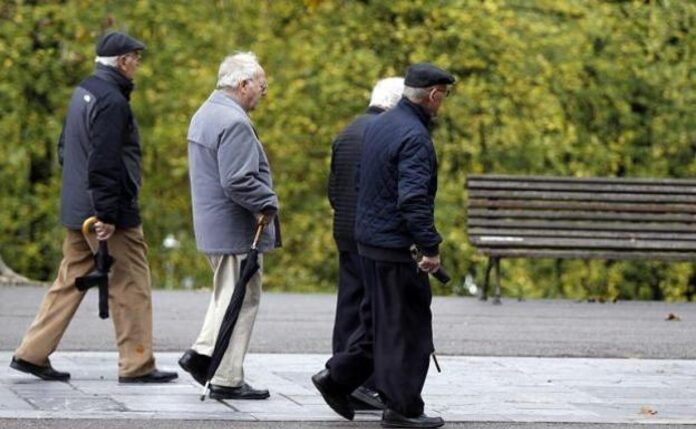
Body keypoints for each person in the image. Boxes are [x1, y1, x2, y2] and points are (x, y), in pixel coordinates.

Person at [10, 31, 178, 384]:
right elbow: (104, 162)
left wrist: (82, 200)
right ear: (122, 62)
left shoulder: (84, 91)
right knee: (131, 282)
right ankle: (137, 364)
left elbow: (64, 149)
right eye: (136, 57)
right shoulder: (112, 102)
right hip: (105, 212)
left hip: (77, 206)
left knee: (70, 279)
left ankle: (32, 352)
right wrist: (107, 214)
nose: (138, 64)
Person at [312, 63, 454, 429]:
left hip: (369, 244)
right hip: (395, 247)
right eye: (445, 96)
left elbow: (361, 184)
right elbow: (413, 200)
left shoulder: (378, 127)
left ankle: (337, 378)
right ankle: (403, 408)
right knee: (408, 328)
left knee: (377, 324)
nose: (444, 104)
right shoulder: (415, 137)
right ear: (434, 95)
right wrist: (430, 247)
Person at [179, 52, 280, 400]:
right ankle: (223, 374)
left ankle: (205, 355)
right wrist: (268, 202)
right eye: (262, 86)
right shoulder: (233, 121)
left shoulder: (205, 113)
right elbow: (237, 180)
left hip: (213, 227)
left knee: (227, 295)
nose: (264, 93)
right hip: (235, 229)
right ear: (243, 84)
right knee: (242, 299)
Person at [327, 77, 404, 411]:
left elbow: (333, 187)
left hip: (344, 228)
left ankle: (339, 374)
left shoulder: (347, 131)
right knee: (373, 310)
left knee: (348, 305)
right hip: (371, 235)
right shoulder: (384, 134)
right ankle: (360, 382)